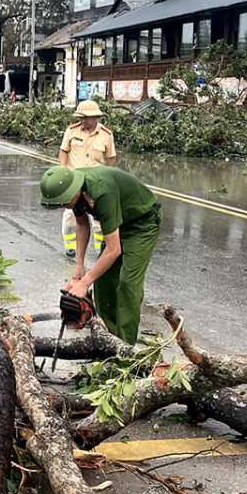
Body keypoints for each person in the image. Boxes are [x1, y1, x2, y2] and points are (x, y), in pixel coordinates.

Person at [39, 165, 162, 345]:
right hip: (117, 224)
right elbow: (82, 224)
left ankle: (125, 347)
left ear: (74, 190)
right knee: (103, 282)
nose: (64, 206)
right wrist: (79, 264)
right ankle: (109, 337)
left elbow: (113, 249)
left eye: (65, 202)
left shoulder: (102, 192)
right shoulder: (74, 190)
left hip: (142, 223)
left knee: (128, 284)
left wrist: (84, 283)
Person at [59, 100, 116, 258]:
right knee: (70, 215)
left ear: (95, 117)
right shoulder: (72, 131)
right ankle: (70, 248)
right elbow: (63, 151)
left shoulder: (106, 135)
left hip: (96, 184)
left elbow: (111, 159)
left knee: (98, 218)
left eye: (86, 117)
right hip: (74, 182)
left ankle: (100, 250)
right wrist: (64, 171)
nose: (82, 120)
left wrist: (110, 181)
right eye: (80, 117)